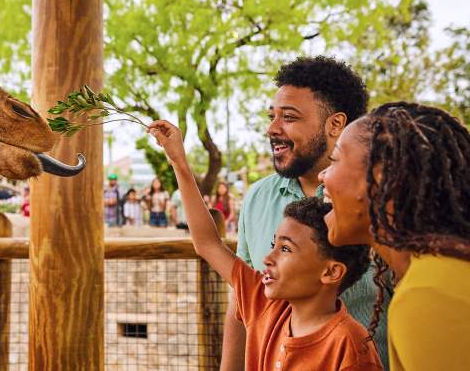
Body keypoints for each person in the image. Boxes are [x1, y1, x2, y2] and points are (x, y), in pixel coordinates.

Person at [149, 120, 382, 370]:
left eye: (285, 249)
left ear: (331, 272)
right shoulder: (264, 304)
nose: (267, 258)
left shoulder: (351, 350)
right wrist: (179, 162)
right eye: (274, 244)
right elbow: (207, 243)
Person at [226, 56, 388, 370]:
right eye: (272, 116)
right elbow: (242, 299)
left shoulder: (379, 200)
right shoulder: (257, 198)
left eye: (289, 117)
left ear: (336, 124)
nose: (272, 129)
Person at [320, 102, 470, 371]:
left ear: (381, 177)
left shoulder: (428, 296)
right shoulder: (437, 276)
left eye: (334, 160)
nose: (322, 176)